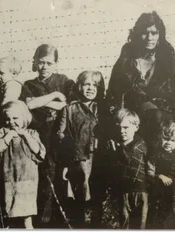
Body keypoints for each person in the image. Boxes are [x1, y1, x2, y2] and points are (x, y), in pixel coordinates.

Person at [106, 11, 175, 157]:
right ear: (137, 34)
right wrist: (113, 132)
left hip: (164, 125)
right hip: (134, 125)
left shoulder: (170, 61)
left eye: (154, 33)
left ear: (160, 35)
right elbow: (113, 96)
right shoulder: (126, 61)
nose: (149, 38)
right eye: (145, 33)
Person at [23, 44, 74, 226]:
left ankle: (60, 218)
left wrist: (42, 103)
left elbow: (67, 105)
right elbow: (29, 104)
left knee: (60, 175)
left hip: (60, 136)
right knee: (43, 175)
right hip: (40, 136)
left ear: (56, 64)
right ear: (35, 62)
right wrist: (54, 95)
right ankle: (43, 219)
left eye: (49, 63)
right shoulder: (30, 84)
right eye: (41, 62)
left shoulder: (65, 81)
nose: (44, 67)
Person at [56, 70, 105, 227]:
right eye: (87, 84)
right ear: (79, 86)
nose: (90, 88)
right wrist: (65, 161)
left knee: (97, 193)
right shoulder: (70, 109)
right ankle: (81, 223)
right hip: (78, 158)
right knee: (81, 193)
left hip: (99, 159)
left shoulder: (103, 109)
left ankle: (98, 222)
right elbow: (61, 134)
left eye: (95, 85)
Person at [0, 100, 46, 229]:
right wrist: (9, 136)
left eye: (15, 118)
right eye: (7, 119)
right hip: (9, 175)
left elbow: (39, 152)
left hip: (27, 176)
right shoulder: (2, 132)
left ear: (25, 117)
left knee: (26, 209)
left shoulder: (32, 133)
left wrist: (25, 135)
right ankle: (8, 226)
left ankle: (28, 227)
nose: (11, 122)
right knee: (9, 204)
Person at [106, 109, 154, 229]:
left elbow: (150, 166)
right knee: (124, 224)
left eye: (126, 127)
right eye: (119, 128)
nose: (122, 131)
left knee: (140, 224)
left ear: (136, 127)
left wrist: (150, 185)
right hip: (123, 192)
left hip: (141, 191)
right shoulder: (114, 146)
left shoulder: (142, 145)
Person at [0, 56, 23, 127]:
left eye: (1, 73)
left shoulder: (12, 85)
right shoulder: (4, 85)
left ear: (14, 74)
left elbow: (7, 103)